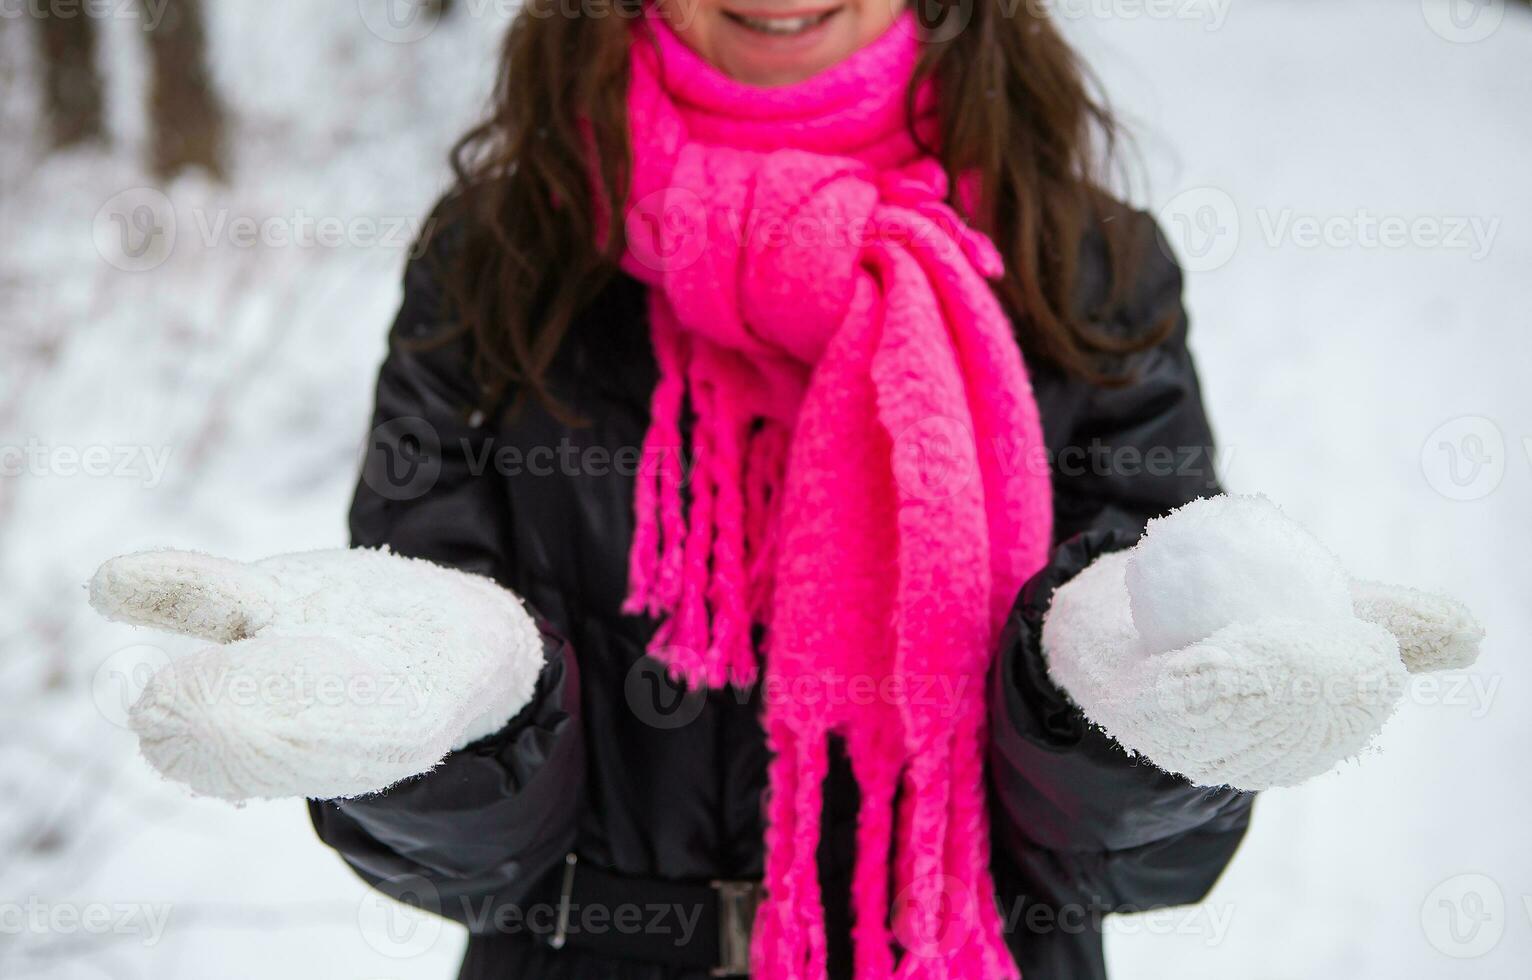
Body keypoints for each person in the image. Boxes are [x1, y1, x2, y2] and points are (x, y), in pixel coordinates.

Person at [311, 2, 1255, 976]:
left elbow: (1142, 850)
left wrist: (1141, 692)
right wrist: (425, 699)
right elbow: (456, 846)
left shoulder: (1088, 266)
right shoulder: (495, 256)